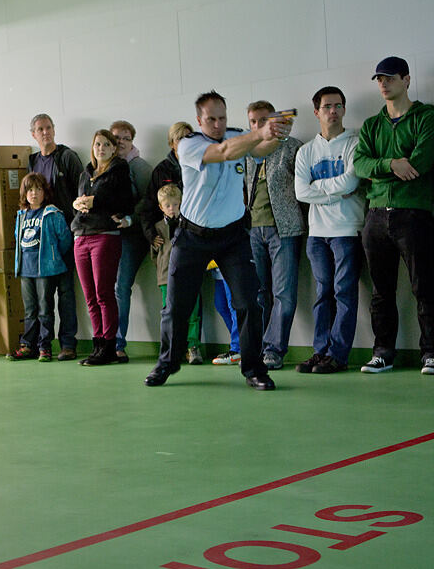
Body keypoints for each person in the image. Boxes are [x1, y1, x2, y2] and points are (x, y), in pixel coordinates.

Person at [146, 91, 290, 390]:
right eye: (211, 118)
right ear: (199, 120)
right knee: (176, 307)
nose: (217, 123)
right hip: (191, 237)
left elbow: (261, 150)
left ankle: (254, 369)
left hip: (233, 237)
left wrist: (278, 134)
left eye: (222, 117)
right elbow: (224, 152)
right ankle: (167, 364)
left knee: (250, 302)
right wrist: (259, 133)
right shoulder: (189, 144)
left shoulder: (239, 136)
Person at [353, 56, 434, 375]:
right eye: (379, 79)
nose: (383, 83)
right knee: (380, 291)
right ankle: (383, 352)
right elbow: (360, 165)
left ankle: (430, 352)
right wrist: (391, 165)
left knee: (424, 286)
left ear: (407, 80)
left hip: (414, 215)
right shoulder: (372, 125)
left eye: (389, 78)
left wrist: (385, 167)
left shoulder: (426, 118)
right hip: (374, 217)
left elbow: (420, 163)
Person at [294, 86, 365, 374]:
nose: (333, 111)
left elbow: (352, 182)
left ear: (344, 110)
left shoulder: (356, 144)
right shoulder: (306, 151)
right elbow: (300, 192)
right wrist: (333, 192)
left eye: (338, 106)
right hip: (317, 233)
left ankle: (338, 355)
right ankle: (320, 351)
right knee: (323, 293)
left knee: (344, 293)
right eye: (327, 107)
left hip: (347, 230)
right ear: (316, 112)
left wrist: (318, 190)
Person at [244, 100, 305, 369]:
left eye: (263, 120)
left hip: (285, 229)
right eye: (253, 121)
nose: (258, 125)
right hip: (252, 231)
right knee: (257, 293)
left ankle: (274, 349)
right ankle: (257, 347)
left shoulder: (291, 147)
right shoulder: (245, 152)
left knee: (284, 293)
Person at [72, 129, 134, 366]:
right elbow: (79, 201)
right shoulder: (85, 173)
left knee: (104, 293)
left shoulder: (119, 170)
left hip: (105, 236)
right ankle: (98, 344)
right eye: (97, 144)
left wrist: (95, 201)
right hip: (81, 236)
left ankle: (110, 345)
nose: (101, 148)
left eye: (106, 144)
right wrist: (77, 203)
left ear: (113, 148)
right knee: (89, 296)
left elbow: (124, 200)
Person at [28, 114, 81, 360]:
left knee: (67, 292)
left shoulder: (67, 157)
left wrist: (74, 228)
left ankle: (68, 344)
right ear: (34, 135)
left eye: (49, 127)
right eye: (40, 129)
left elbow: (82, 191)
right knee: (44, 296)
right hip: (41, 241)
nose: (45, 132)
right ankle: (44, 345)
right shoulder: (32, 162)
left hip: (66, 235)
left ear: (54, 130)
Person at [8, 172, 72, 362]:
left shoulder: (52, 213)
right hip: (26, 269)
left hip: (45, 269)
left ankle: (45, 347)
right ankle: (28, 346)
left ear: (45, 192)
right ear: (24, 193)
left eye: (38, 189)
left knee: (45, 308)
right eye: (29, 190)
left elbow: (65, 239)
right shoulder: (21, 215)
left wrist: (52, 256)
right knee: (29, 310)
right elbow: (17, 239)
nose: (34, 193)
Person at [110, 120, 153, 364]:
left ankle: (118, 344)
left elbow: (150, 203)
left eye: (126, 137)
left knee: (120, 287)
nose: (121, 142)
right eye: (116, 137)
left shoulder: (139, 167)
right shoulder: (107, 167)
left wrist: (129, 219)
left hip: (132, 237)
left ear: (132, 141)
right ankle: (107, 341)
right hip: (110, 236)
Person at [151, 184, 202, 364]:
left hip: (190, 275)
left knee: (193, 312)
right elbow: (155, 255)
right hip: (166, 277)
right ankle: (172, 349)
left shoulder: (190, 224)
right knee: (169, 312)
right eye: (168, 205)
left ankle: (192, 346)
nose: (172, 209)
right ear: (161, 207)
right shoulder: (157, 229)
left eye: (175, 205)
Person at [140, 122, 194, 249]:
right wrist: (151, 235)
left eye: (188, 138)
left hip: (196, 231)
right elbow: (148, 206)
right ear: (171, 144)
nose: (184, 142)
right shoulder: (161, 170)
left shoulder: (201, 166)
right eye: (180, 139)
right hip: (169, 234)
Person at [209, 264, 242, 366]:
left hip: (230, 265)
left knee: (233, 306)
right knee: (221, 305)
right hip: (217, 269)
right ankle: (242, 344)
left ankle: (237, 349)